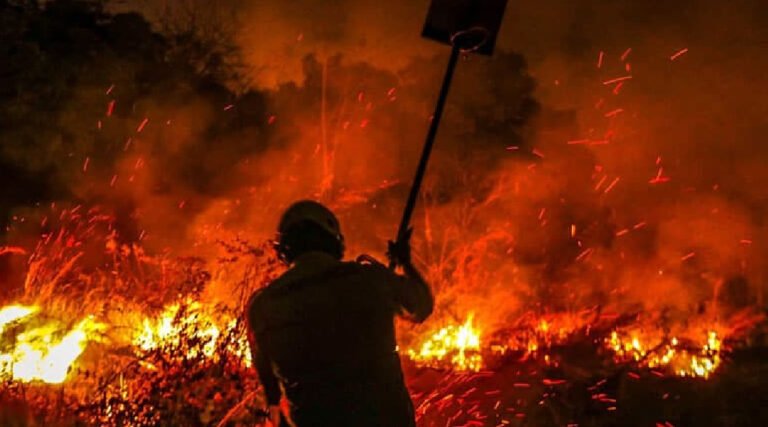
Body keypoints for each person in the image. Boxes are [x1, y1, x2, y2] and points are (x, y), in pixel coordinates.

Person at [246, 200, 434, 427]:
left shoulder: (263, 305)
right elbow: (421, 307)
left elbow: (271, 393)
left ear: (284, 250)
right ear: (334, 241)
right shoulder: (370, 279)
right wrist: (406, 263)